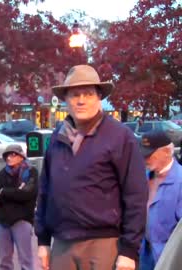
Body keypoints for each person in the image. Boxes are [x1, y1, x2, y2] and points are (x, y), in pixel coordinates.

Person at [35, 65, 148, 270]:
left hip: (105, 244)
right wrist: (42, 240)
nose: (81, 100)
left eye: (88, 94)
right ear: (66, 100)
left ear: (98, 97)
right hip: (62, 243)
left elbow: (136, 195)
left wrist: (129, 251)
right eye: (74, 94)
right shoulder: (57, 137)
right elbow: (45, 190)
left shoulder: (120, 137)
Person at [138, 131, 182, 270]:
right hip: (144, 255)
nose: (145, 159)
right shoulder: (143, 178)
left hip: (170, 259)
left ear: (167, 152)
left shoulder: (180, 181)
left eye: (150, 155)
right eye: (143, 155)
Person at [0, 144, 38, 270]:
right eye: (7, 156)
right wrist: (15, 192)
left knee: (25, 260)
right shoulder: (3, 173)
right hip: (3, 221)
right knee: (5, 261)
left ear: (21, 156)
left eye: (13, 154)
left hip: (22, 220)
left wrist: (5, 192)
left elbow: (28, 194)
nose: (9, 158)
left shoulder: (31, 171)